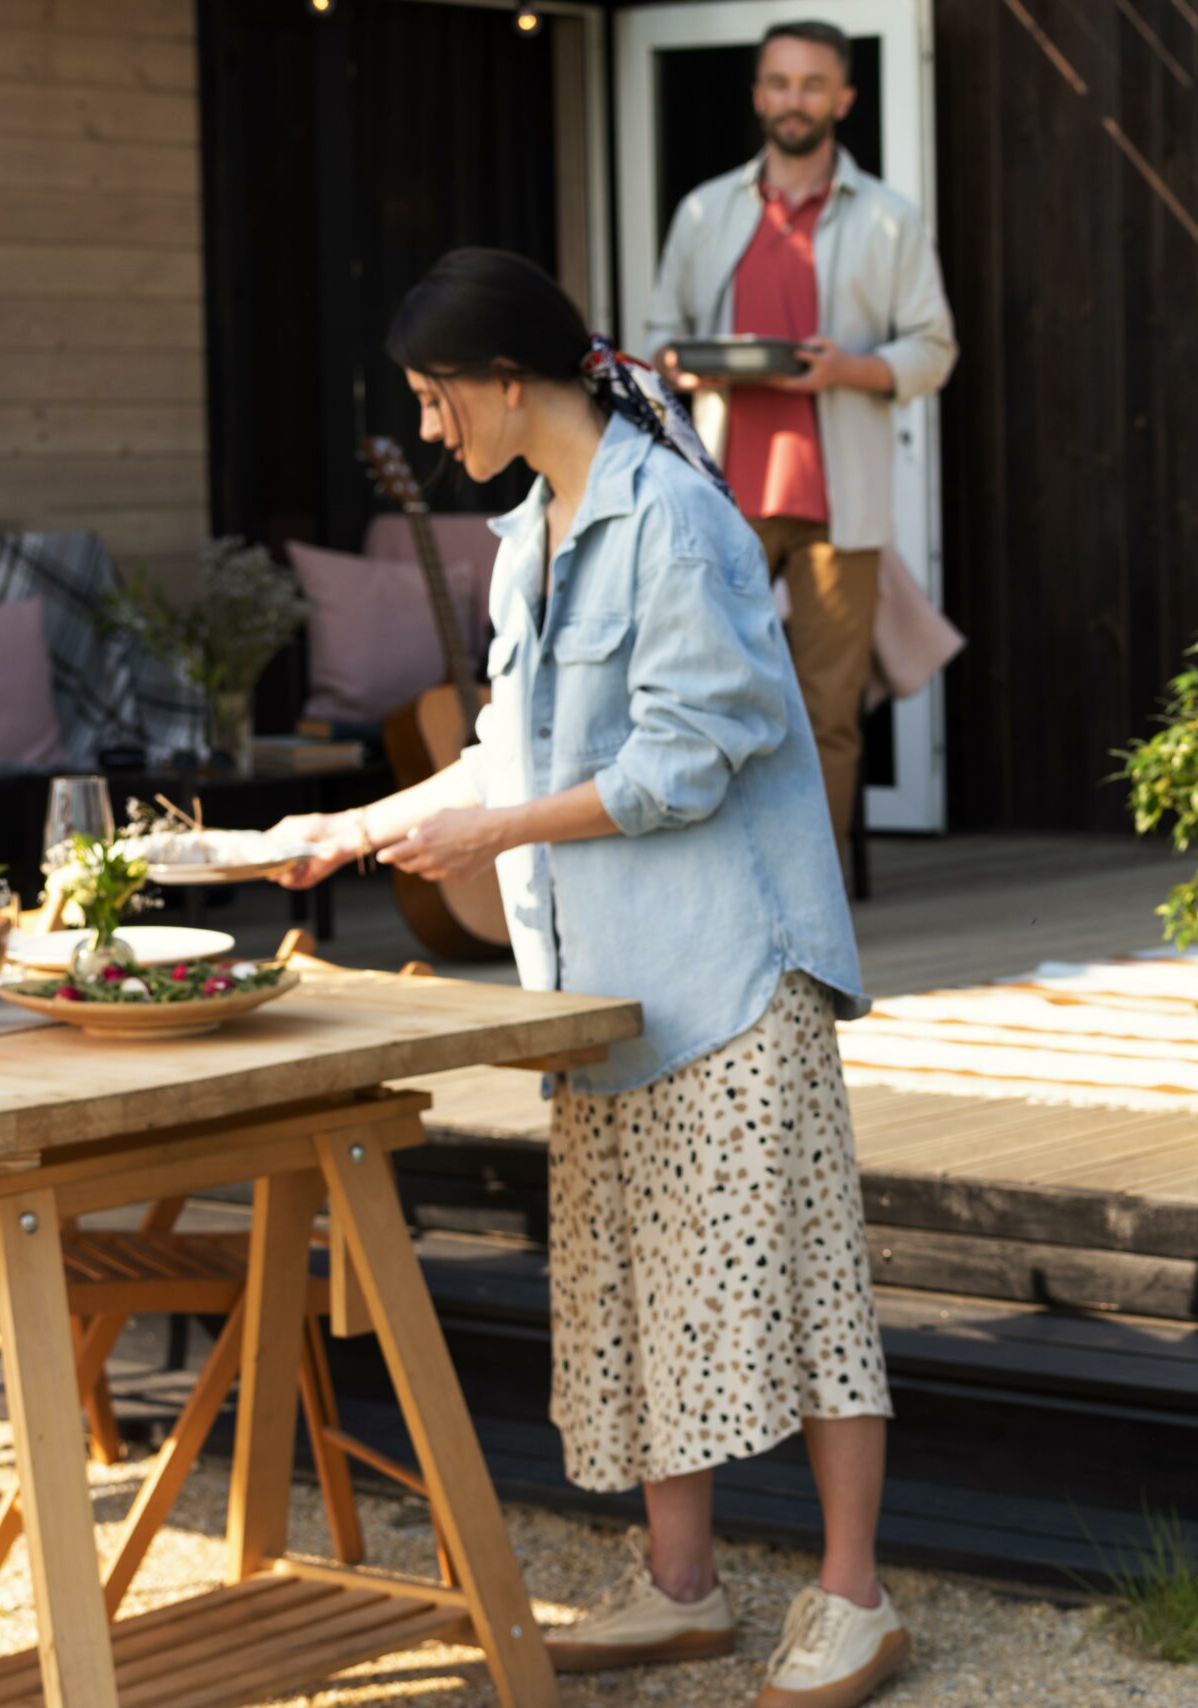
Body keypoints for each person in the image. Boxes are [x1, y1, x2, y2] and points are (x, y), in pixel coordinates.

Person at [273, 249, 910, 1708]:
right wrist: (358, 827)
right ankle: (679, 1588)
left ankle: (856, 1599)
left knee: (809, 1293)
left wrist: (483, 828)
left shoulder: (675, 516)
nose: (434, 431)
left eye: (440, 399)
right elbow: (514, 749)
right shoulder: (534, 535)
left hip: (737, 975)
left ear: (511, 381)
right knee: (630, 1291)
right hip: (607, 990)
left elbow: (692, 758)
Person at [647, 18, 957, 854]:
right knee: (706, 700)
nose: (794, 99)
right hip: (721, 505)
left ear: (844, 98)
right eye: (779, 82)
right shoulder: (707, 211)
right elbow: (660, 340)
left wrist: (844, 369)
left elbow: (935, 349)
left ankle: (812, 908)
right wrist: (691, 365)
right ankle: (719, 885)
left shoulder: (889, 220)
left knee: (828, 717)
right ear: (757, 95)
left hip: (838, 508)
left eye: (813, 83)